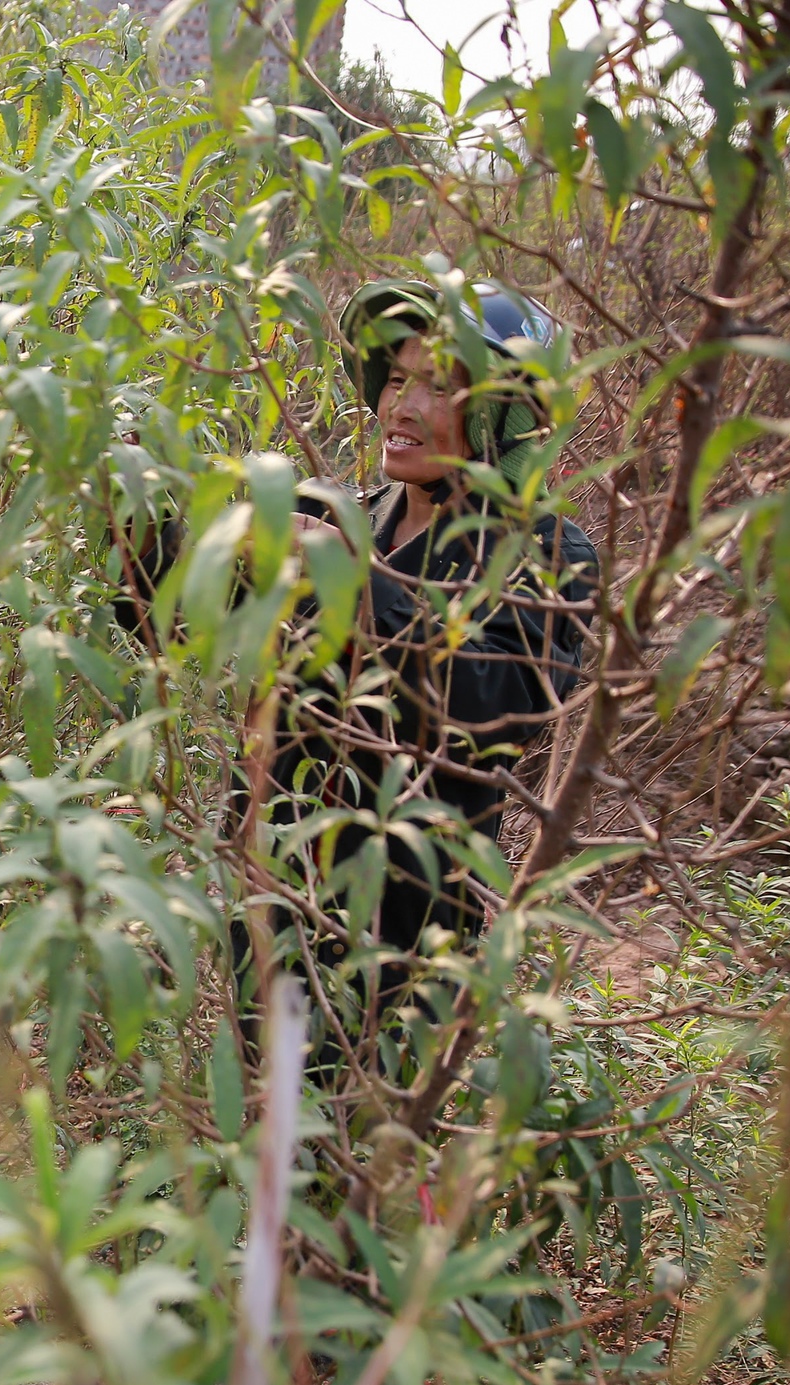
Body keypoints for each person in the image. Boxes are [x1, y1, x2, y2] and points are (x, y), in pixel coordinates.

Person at [261, 279, 599, 1049]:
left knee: (367, 1146)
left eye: (439, 386)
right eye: (399, 379)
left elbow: (498, 711)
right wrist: (147, 531)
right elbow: (183, 620)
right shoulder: (340, 515)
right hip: (279, 902)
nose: (400, 406)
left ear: (507, 415)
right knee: (267, 1144)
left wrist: (364, 586)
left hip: (408, 935)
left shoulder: (543, 552)